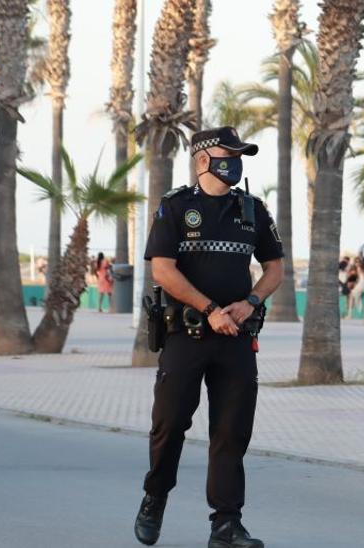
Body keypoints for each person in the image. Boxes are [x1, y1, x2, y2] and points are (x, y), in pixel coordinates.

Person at [133, 126, 284, 548]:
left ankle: (226, 524)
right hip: (186, 334)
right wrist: (210, 309)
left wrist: (251, 301)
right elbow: (162, 269)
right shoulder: (177, 207)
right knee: (169, 425)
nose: (235, 161)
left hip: (236, 337)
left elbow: (275, 270)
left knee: (231, 432)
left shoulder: (253, 210)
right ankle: (155, 496)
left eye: (240, 155)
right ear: (203, 159)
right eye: (228, 153)